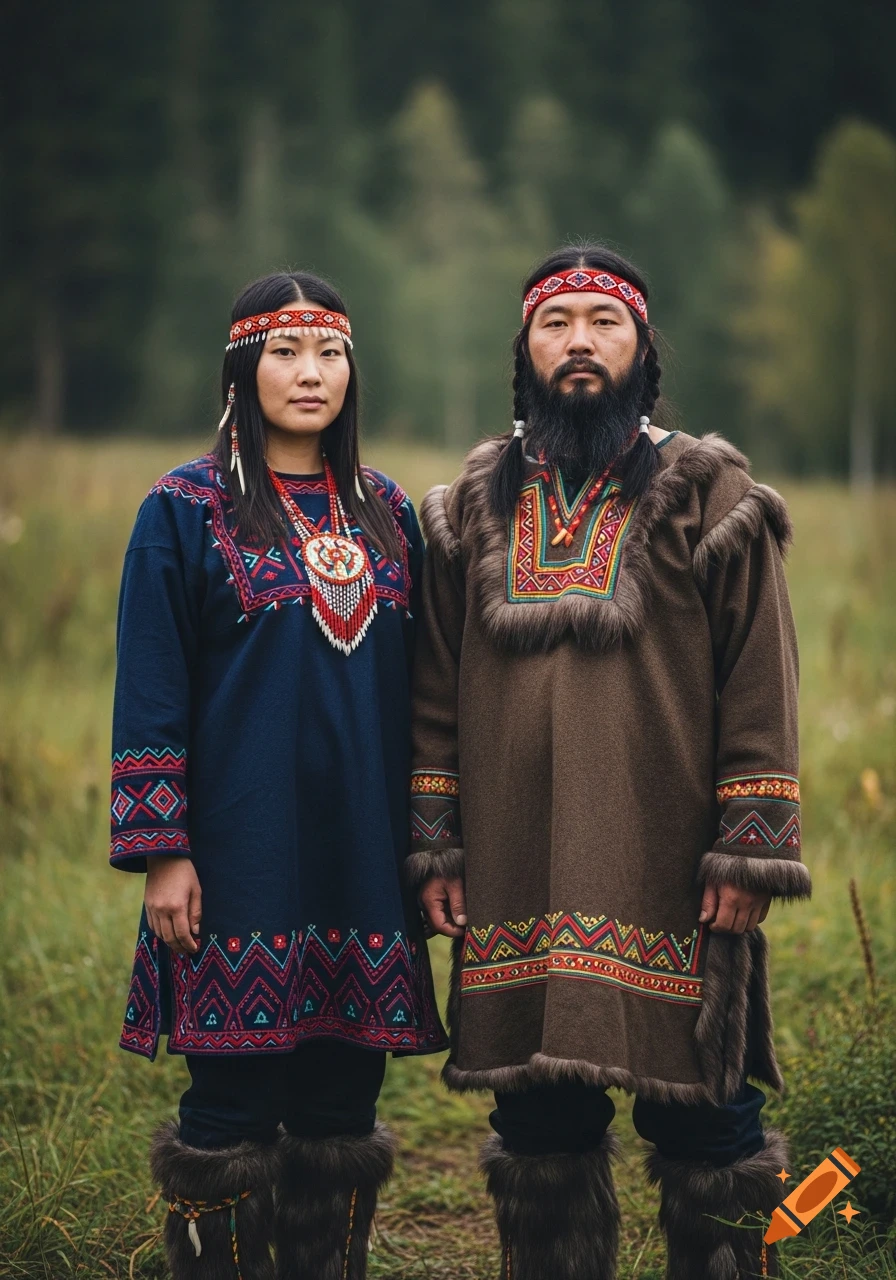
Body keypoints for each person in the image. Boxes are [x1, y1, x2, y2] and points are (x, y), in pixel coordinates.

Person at [407, 243, 811, 1280]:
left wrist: (749, 847)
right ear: (523, 352)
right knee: (539, 1129)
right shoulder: (469, 505)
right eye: (555, 323)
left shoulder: (709, 489)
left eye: (603, 321)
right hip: (519, 872)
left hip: (671, 870)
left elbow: (759, 679)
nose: (579, 341)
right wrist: (437, 842)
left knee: (709, 1126)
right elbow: (435, 691)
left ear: (643, 348)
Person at [110, 271, 447, 1279]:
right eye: (285, 352)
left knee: (342, 1110)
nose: (310, 373)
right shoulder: (182, 509)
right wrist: (162, 851)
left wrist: (434, 843)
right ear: (240, 372)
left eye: (329, 353)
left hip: (361, 864)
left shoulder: (388, 512)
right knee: (230, 1109)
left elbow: (429, 694)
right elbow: (152, 690)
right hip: (236, 859)